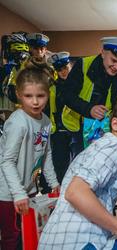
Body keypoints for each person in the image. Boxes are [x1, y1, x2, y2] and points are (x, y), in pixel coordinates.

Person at [38, 102, 117, 250]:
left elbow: (109, 184)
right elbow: (75, 192)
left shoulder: (103, 145)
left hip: (56, 239)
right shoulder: (116, 146)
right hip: (78, 240)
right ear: (115, 124)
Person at [0, 66, 60, 250]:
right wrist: (18, 193)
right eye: (28, 96)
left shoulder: (45, 122)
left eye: (40, 96)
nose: (35, 102)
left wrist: (53, 182)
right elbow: (6, 160)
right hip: (9, 192)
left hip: (30, 189)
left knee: (30, 232)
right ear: (18, 95)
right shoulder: (18, 123)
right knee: (12, 237)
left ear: (48, 94)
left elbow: (46, 152)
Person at [61, 36, 117, 157]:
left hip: (108, 131)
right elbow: (66, 94)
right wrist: (89, 109)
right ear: (102, 53)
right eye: (113, 61)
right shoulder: (83, 64)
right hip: (79, 128)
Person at [39, 51, 74, 193]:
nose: (63, 72)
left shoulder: (78, 86)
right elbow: (47, 110)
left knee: (76, 164)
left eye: (65, 68)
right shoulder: (52, 88)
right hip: (58, 132)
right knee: (60, 165)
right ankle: (57, 193)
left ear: (70, 66)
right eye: (59, 69)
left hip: (76, 131)